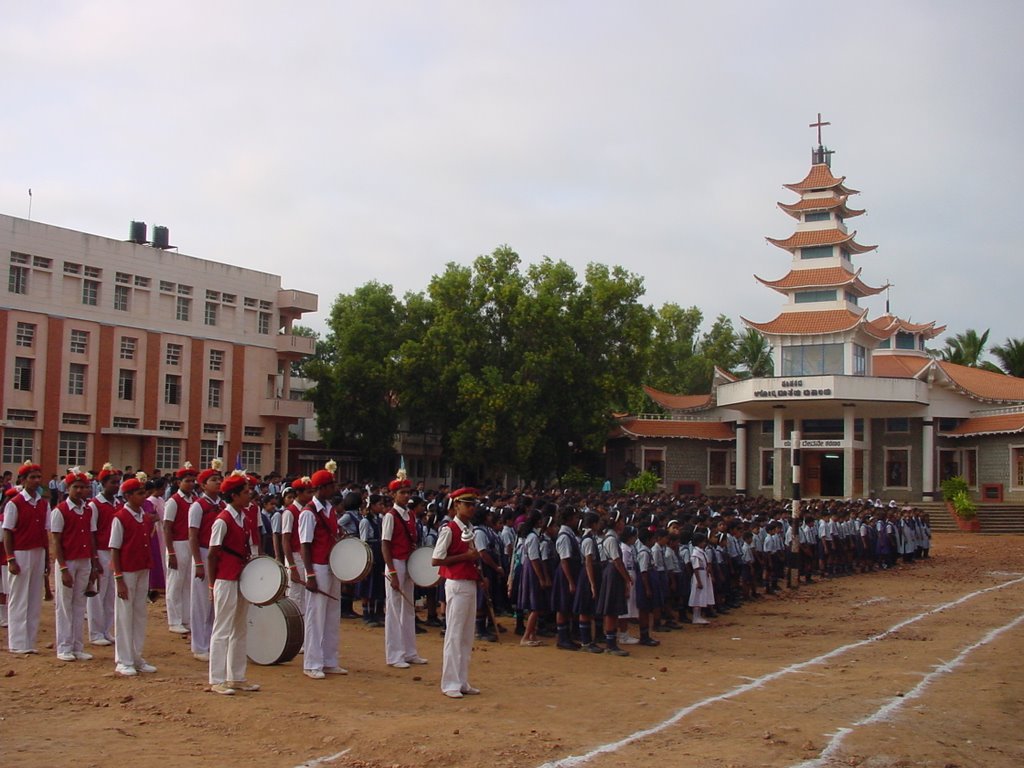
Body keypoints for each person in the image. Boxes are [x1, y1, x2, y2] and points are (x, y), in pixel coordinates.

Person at [206, 472, 260, 695]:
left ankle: (236, 676)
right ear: (234, 495)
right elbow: (212, 554)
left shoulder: (243, 517)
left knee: (239, 628)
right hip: (226, 578)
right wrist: (211, 585)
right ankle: (217, 678)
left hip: (240, 576)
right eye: (246, 493)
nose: (250, 496)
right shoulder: (223, 520)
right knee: (222, 628)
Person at [432, 487, 482, 698]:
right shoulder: (449, 529)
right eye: (467, 504)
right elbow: (436, 559)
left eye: (473, 504)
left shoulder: (469, 529)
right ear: (456, 505)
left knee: (466, 635)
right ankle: (450, 682)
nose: (471, 508)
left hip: (468, 582)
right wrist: (466, 557)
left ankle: (462, 680)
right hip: (456, 582)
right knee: (454, 633)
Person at [299, 461, 345, 679]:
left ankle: (329, 659)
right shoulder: (309, 513)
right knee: (316, 615)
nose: (335, 489)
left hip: (332, 564)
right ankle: (312, 663)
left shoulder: (330, 510)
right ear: (322, 488)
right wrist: (309, 574)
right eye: (331, 485)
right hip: (318, 565)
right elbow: (305, 545)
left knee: (332, 614)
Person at [109, 473, 156, 676]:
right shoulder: (120, 517)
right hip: (127, 571)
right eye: (139, 493)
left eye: (144, 493)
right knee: (124, 614)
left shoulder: (143, 517)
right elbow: (115, 548)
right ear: (128, 496)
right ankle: (123, 659)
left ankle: (136, 655)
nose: (143, 497)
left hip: (142, 568)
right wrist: (119, 578)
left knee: (139, 613)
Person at [50, 468, 99, 661]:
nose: (79, 491)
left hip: (84, 559)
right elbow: (56, 541)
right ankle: (64, 646)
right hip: (68, 561)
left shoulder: (88, 510)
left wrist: (94, 564)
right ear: (68, 488)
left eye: (83, 487)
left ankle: (77, 645)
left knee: (80, 604)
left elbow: (91, 536)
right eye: (75, 487)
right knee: (64, 604)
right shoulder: (60, 511)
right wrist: (62, 568)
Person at [381, 472, 428, 668]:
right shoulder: (390, 516)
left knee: (408, 607)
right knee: (394, 609)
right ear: (393, 495)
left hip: (408, 561)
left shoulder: (409, 514)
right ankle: (394, 655)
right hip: (396, 562)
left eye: (408, 492)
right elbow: (385, 544)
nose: (406, 496)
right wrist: (391, 571)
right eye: (402, 492)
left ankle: (410, 651)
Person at [3, 461, 50, 654]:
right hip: (21, 552)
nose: (36, 481)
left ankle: (30, 641)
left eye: (38, 477)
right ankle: (17, 642)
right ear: (23, 480)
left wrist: (47, 559)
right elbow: (7, 531)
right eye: (32, 477)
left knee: (33, 597)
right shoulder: (14, 503)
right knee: (18, 597)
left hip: (38, 551)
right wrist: (10, 558)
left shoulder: (43, 503)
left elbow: (45, 532)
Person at [188, 459, 224, 661]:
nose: (218, 483)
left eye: (219, 479)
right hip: (202, 551)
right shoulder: (198, 506)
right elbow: (192, 535)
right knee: (201, 602)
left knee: (214, 602)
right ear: (203, 485)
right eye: (213, 480)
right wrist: (198, 562)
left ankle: (211, 642)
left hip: (217, 554)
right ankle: (199, 645)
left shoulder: (222, 504)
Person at [87, 463, 121, 646]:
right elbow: (91, 532)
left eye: (118, 482)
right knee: (98, 594)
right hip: (100, 551)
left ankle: (107, 629)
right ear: (103, 484)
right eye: (113, 482)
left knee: (110, 594)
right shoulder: (95, 505)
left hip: (113, 552)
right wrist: (94, 559)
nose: (116, 486)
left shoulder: (117, 504)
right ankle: (95, 632)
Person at [162, 462, 197, 634]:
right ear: (179, 482)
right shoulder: (173, 502)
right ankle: (174, 620)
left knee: (187, 583)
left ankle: (185, 618)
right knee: (175, 582)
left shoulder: (194, 500)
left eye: (192, 481)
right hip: (177, 543)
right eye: (187, 481)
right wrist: (171, 551)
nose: (190, 484)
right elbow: (167, 526)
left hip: (190, 543)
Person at [280, 477, 313, 616]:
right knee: (295, 594)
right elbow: (285, 540)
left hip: (304, 556)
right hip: (294, 556)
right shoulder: (290, 512)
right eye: (308, 492)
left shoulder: (307, 510)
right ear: (299, 493)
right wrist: (292, 566)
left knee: (305, 596)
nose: (311, 495)